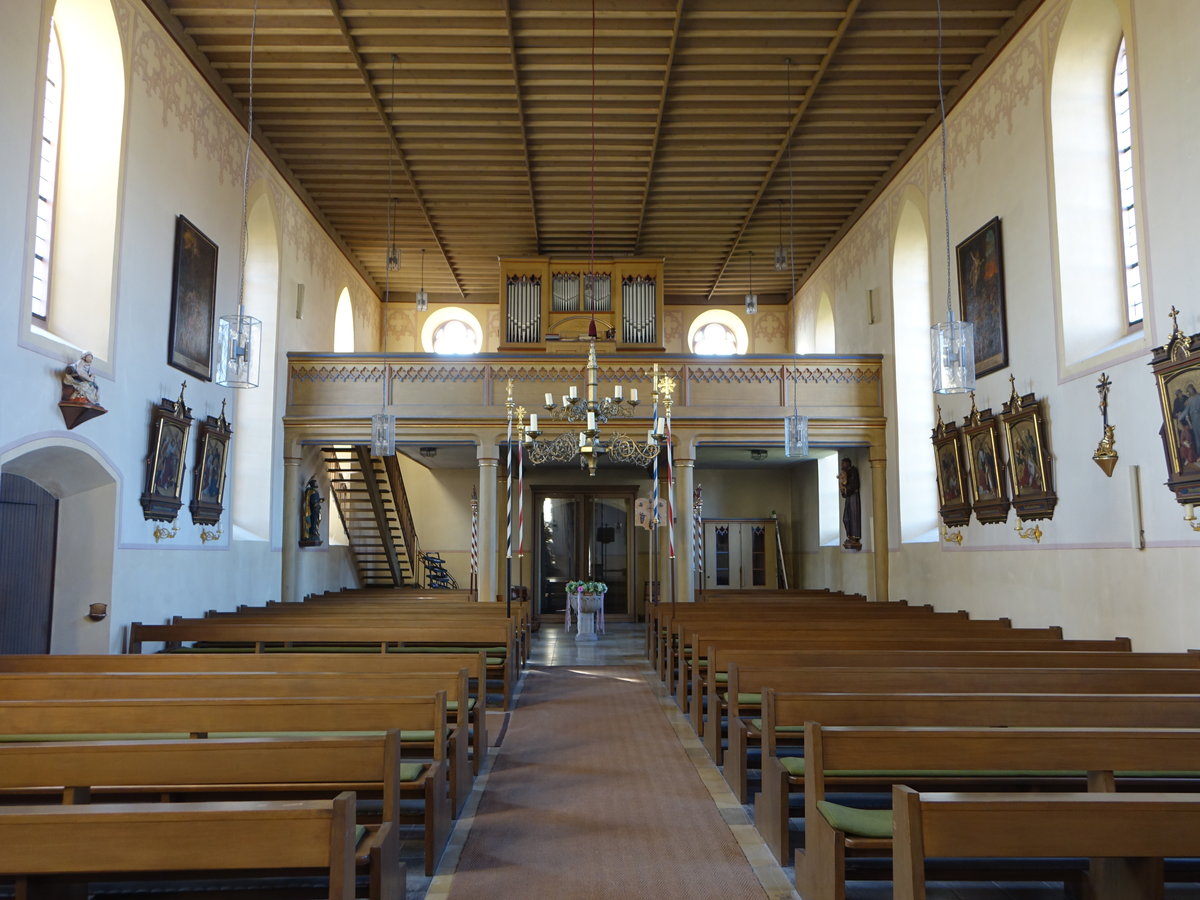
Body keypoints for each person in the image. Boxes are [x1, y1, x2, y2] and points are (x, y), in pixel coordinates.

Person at [839, 457, 861, 550]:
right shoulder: (846, 473)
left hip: (853, 497)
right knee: (846, 518)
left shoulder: (853, 471)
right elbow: (844, 491)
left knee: (853, 517)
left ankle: (854, 537)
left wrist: (846, 487)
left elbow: (853, 485)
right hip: (849, 497)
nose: (841, 466)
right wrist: (843, 488)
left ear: (848, 464)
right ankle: (850, 536)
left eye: (843, 464)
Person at [301, 476, 323, 545]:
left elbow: (316, 501)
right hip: (313, 510)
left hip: (316, 509)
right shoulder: (311, 491)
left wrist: (319, 500)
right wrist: (319, 501)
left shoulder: (314, 491)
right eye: (316, 483)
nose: (317, 484)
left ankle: (314, 531)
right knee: (313, 521)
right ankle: (312, 532)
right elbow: (313, 502)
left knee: (316, 521)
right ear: (313, 484)